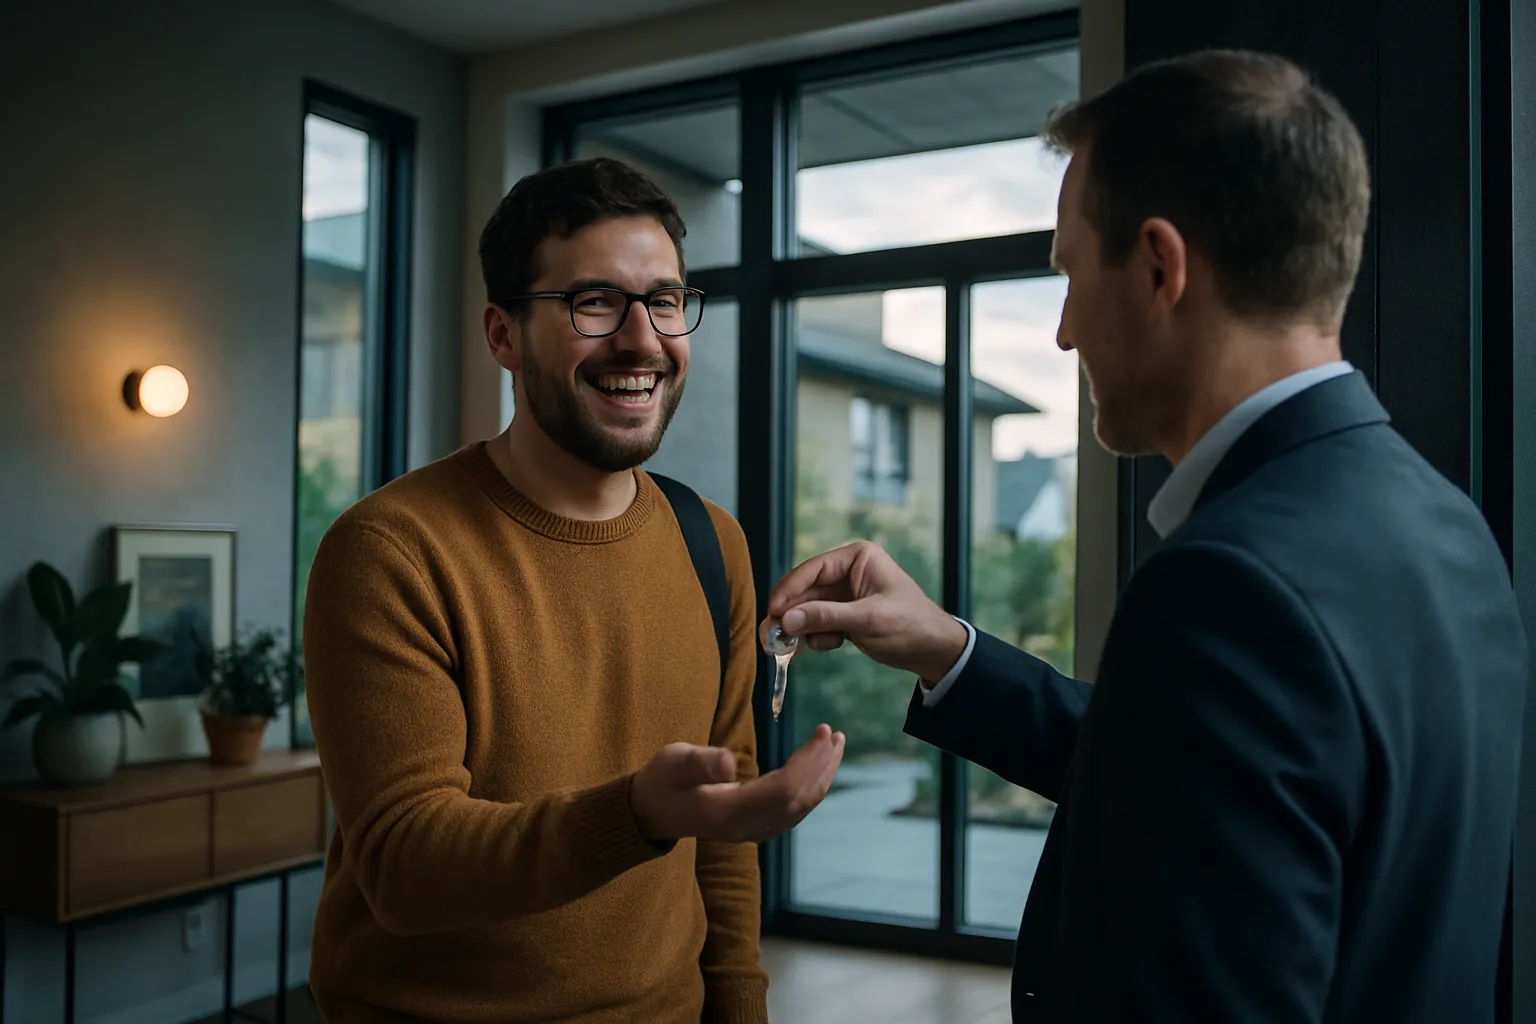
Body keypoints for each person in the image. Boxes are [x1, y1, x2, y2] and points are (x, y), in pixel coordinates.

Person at [767, 49, 1527, 1023]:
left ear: (1161, 267)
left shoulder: (1227, 583)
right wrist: (946, 648)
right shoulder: (1447, 524)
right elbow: (1221, 789)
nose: (1064, 331)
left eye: (1071, 274)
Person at [302, 156, 845, 1023]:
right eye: (594, 302)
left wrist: (741, 1007)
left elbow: (721, 834)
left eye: (664, 300)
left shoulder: (713, 543)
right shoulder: (390, 551)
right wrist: (632, 813)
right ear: (503, 335)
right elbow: (403, 865)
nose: (642, 340)